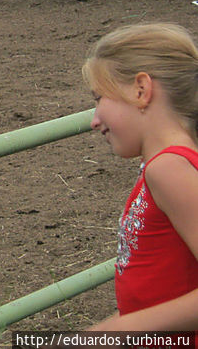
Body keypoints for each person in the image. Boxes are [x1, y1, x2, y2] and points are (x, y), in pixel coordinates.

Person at [82, 23, 198, 334]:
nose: (94, 121)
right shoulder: (164, 166)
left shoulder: (169, 169)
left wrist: (111, 332)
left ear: (141, 90)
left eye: (98, 98)